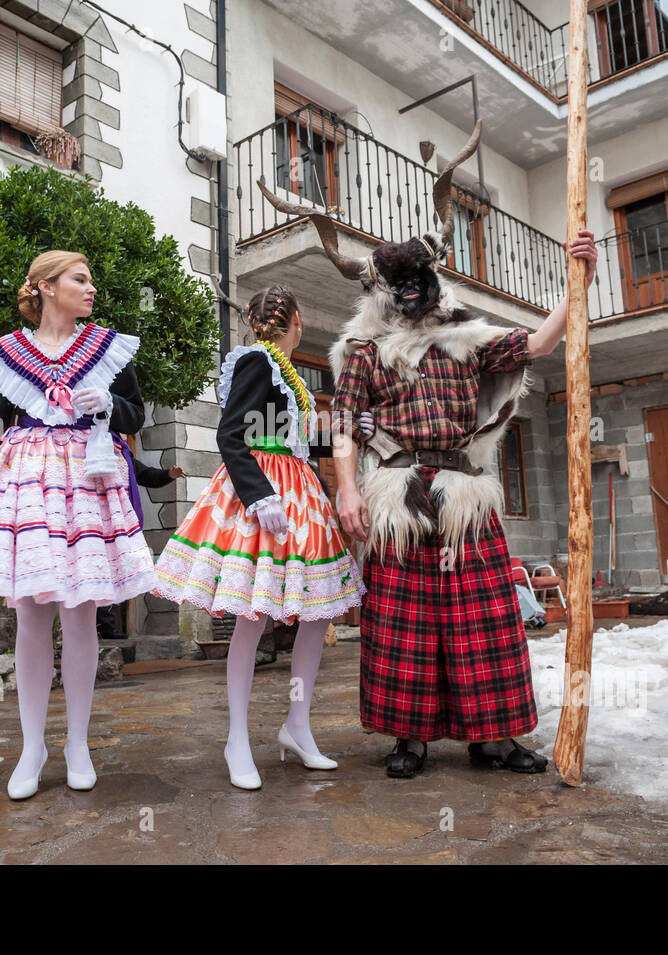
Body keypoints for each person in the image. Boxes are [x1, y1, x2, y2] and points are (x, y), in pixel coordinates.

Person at [328, 210, 597, 779]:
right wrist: (348, 491)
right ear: (383, 294)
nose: (407, 294)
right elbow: (346, 423)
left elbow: (542, 343)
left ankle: (494, 740)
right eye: (395, 287)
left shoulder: (470, 341)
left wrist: (582, 280)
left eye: (415, 281)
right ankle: (411, 738)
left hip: (465, 498)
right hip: (399, 497)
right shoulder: (362, 350)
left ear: (432, 281)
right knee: (406, 627)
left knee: (488, 621)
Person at [0, 250, 154, 800]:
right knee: (31, 615)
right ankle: (33, 745)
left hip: (86, 477)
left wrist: (109, 406)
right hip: (26, 480)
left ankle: (78, 742)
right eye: (80, 279)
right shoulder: (7, 355)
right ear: (47, 287)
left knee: (81, 616)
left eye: (91, 281)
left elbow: (135, 415)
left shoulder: (110, 348)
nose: (91, 288)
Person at [150, 285, 365, 790]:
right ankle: (237, 738)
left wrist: (354, 426)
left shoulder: (290, 375)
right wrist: (258, 496)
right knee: (254, 614)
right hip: (265, 494)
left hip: (301, 490)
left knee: (318, 614)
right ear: (297, 319)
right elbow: (232, 435)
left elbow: (298, 437)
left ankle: (297, 725)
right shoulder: (256, 363)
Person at [97, 457, 186, 640]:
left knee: (118, 571)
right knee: (100, 570)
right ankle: (101, 624)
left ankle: (107, 625)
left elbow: (146, 474)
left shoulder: (123, 454)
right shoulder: (86, 446)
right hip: (96, 518)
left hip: (122, 521)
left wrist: (168, 474)